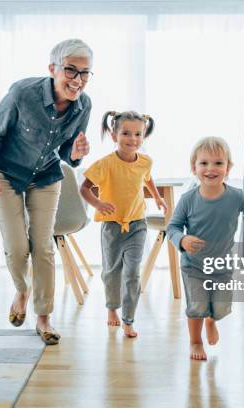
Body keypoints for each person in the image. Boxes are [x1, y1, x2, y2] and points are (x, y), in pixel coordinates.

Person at [0, 39, 93, 345]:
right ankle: (22, 290)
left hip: (46, 175)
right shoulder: (22, 93)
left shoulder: (84, 104)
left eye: (84, 73)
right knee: (18, 248)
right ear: (52, 69)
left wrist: (78, 153)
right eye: (70, 70)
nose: (77, 79)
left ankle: (43, 318)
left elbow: (69, 152)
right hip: (7, 174)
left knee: (43, 246)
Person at [166, 136, 244, 360]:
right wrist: (182, 241)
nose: (210, 169)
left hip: (222, 265)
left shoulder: (237, 197)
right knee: (197, 305)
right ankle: (195, 341)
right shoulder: (188, 199)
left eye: (218, 163)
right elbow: (172, 227)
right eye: (204, 163)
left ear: (228, 168)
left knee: (221, 308)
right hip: (193, 266)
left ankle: (212, 320)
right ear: (194, 168)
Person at [80, 111, 167, 338]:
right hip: (111, 227)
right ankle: (111, 308)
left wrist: (156, 197)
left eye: (138, 134)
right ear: (113, 135)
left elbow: (147, 177)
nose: (132, 139)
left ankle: (128, 320)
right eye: (126, 133)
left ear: (144, 135)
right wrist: (98, 204)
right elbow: (84, 188)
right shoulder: (105, 164)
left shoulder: (146, 161)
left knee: (132, 274)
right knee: (112, 273)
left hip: (137, 225)